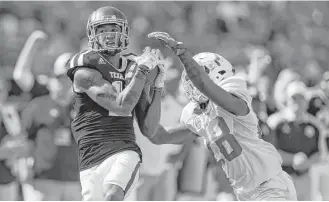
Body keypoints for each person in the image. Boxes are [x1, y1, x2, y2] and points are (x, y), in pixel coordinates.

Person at [146, 31, 297, 200]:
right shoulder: (202, 117)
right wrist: (146, 90)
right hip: (246, 193)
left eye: (195, 72)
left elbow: (203, 83)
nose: (188, 79)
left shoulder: (236, 102)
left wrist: (181, 52)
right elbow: (158, 136)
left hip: (269, 186)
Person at [66, 6, 165, 201]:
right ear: (92, 35)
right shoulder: (85, 70)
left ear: (124, 33)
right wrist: (141, 73)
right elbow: (121, 106)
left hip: (123, 148)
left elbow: (149, 128)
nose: (109, 35)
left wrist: (157, 87)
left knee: (112, 195)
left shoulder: (132, 68)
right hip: (90, 154)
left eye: (114, 29)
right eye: (102, 30)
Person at [21, 52, 81, 201]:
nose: (66, 82)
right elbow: (23, 138)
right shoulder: (38, 105)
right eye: (61, 77)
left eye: (70, 78)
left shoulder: (83, 108)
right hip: (43, 180)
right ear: (52, 78)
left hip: (74, 181)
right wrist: (23, 168)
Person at [267, 80, 327, 200]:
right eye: (293, 98)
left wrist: (307, 162)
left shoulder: (314, 125)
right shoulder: (275, 123)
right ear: (287, 100)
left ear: (306, 101)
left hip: (305, 178)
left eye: (300, 98)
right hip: (280, 178)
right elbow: (269, 152)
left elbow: (321, 153)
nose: (297, 102)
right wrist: (292, 159)